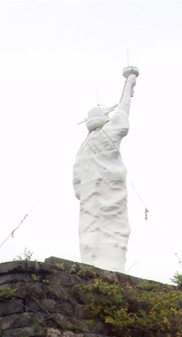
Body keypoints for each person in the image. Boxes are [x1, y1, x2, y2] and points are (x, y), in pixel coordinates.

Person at [73, 66, 139, 272]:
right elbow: (123, 110)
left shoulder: (82, 149)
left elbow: (76, 188)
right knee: (114, 232)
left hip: (90, 203)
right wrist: (129, 83)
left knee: (92, 233)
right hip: (111, 196)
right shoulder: (110, 131)